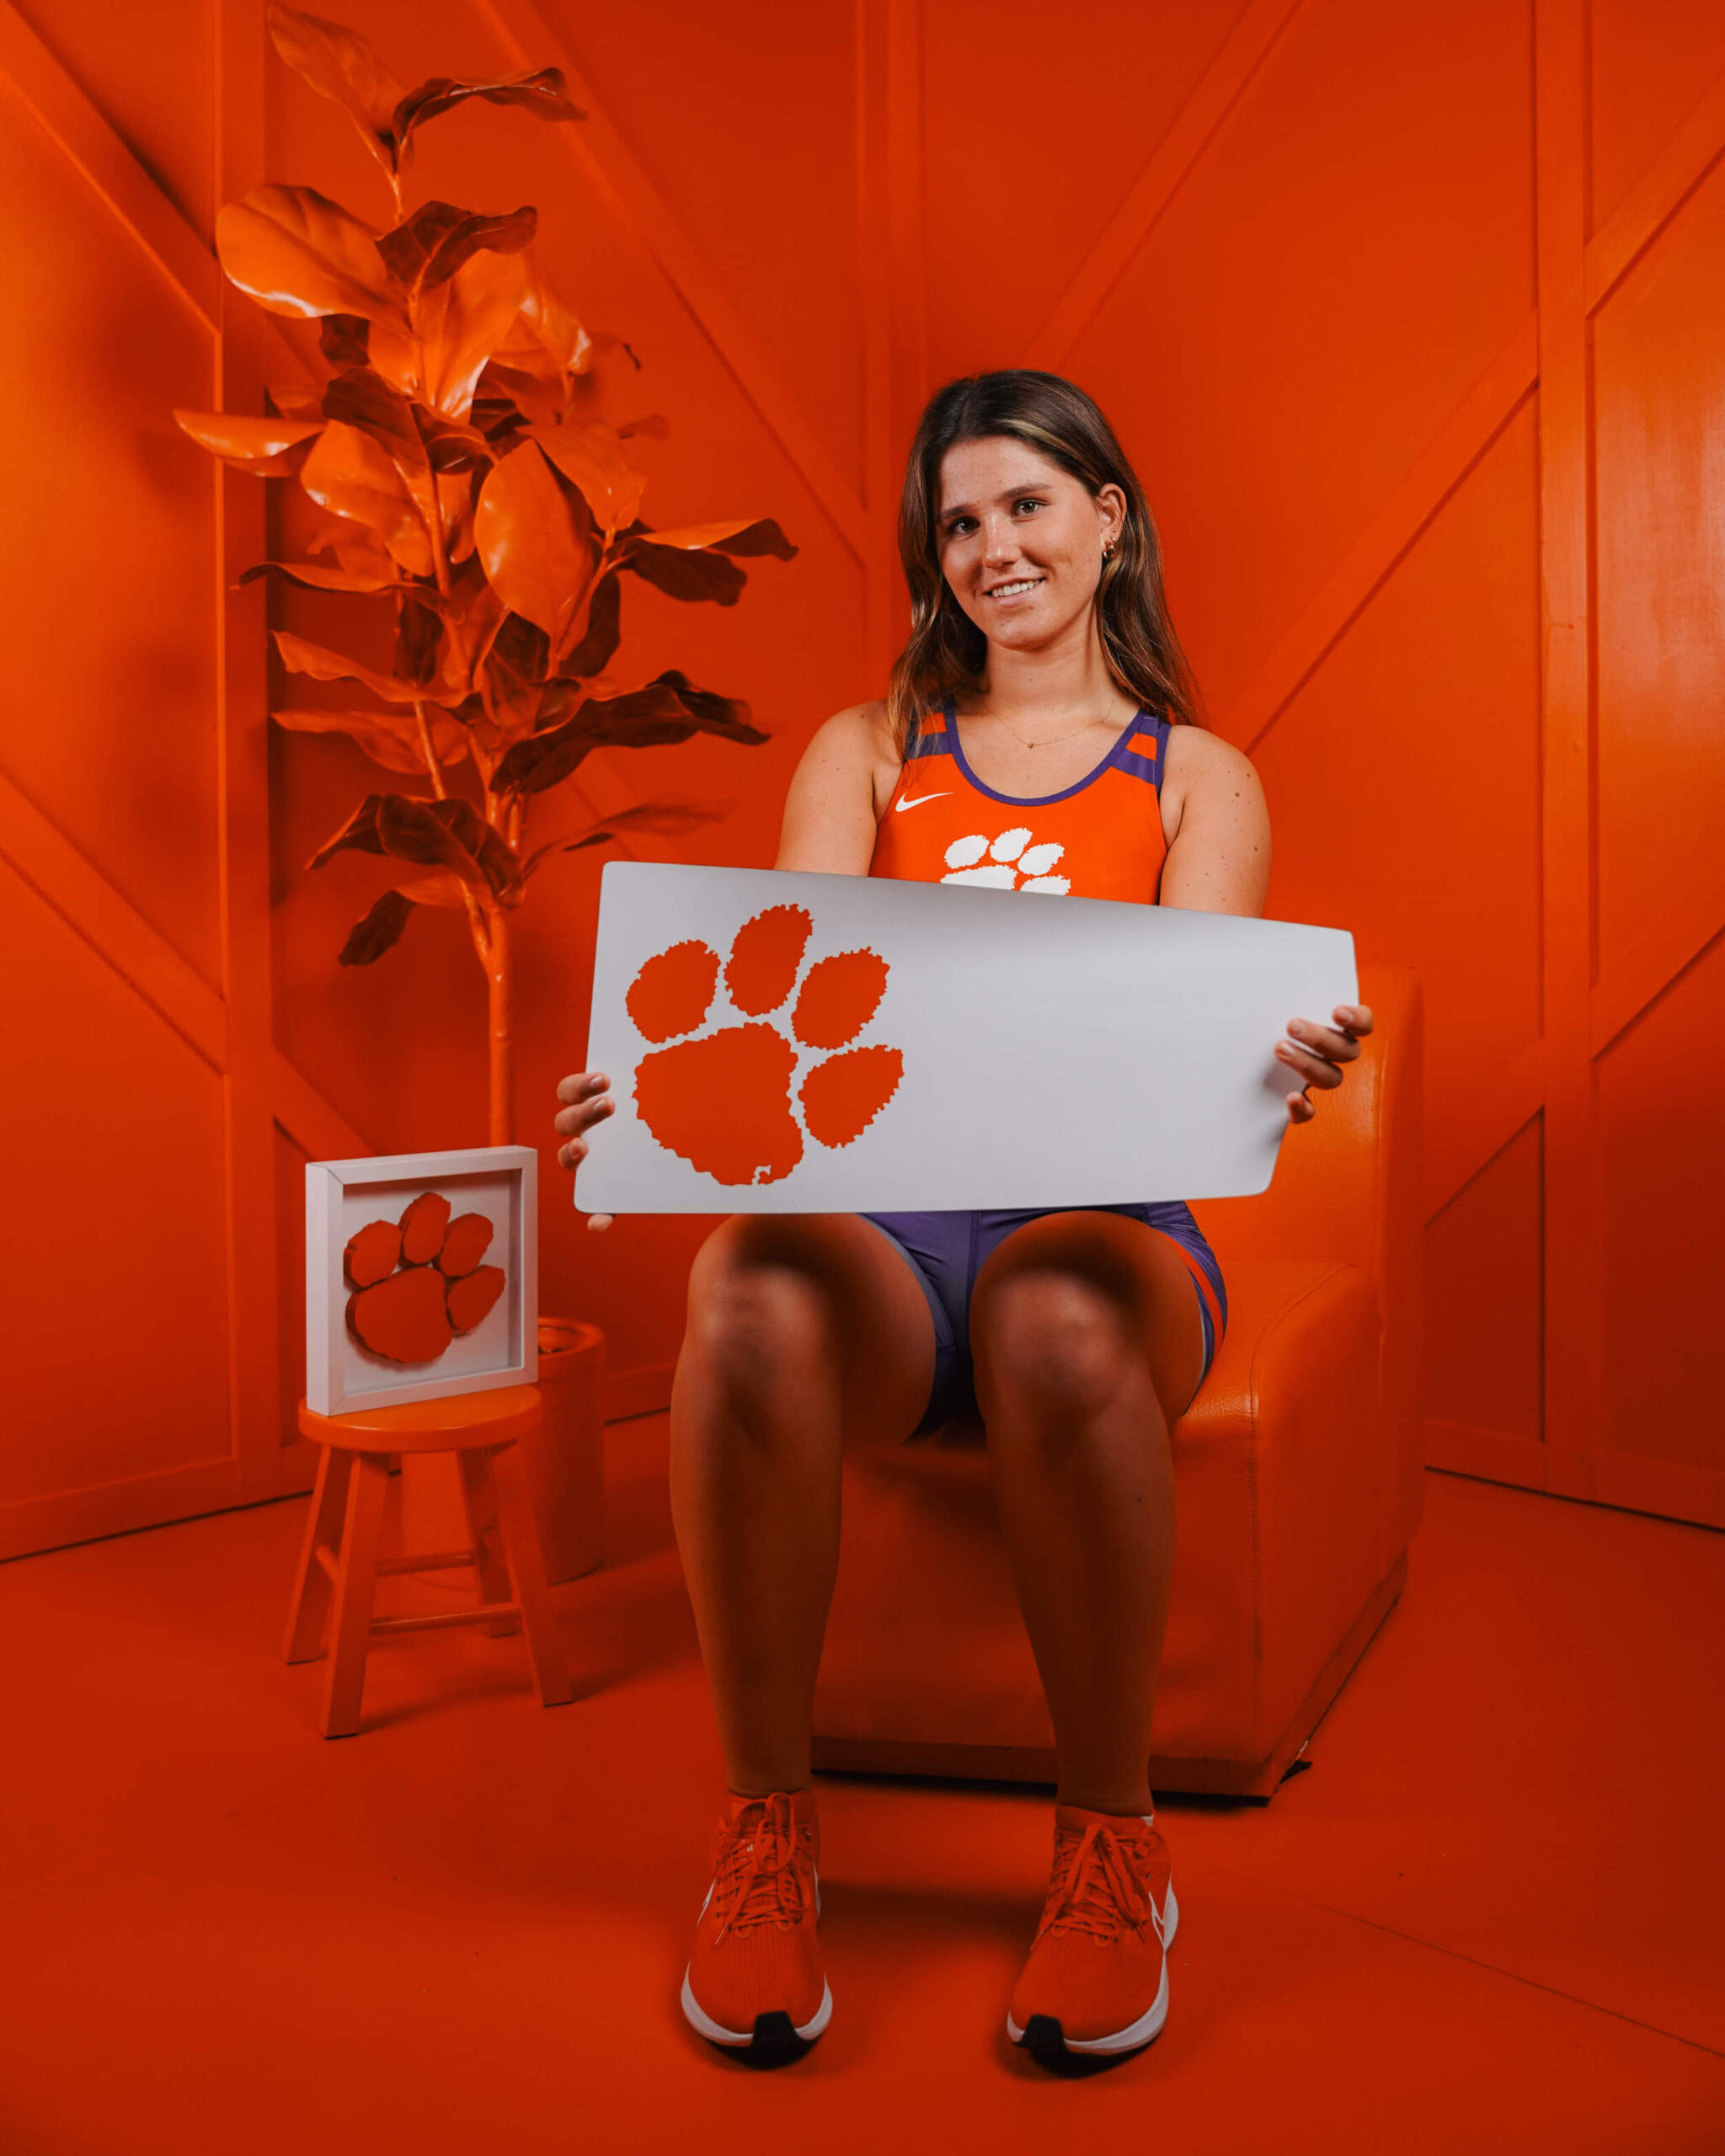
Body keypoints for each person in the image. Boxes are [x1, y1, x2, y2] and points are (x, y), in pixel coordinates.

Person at [553, 370, 1371, 2071]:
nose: (996, 546)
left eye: (1028, 504)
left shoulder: (1199, 777)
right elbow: (775, 1012)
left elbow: (1196, 1060)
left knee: (1053, 1313)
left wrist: (1276, 1059)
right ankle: (765, 1831)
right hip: (894, 1237)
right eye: (960, 521)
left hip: (1107, 1229)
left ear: (1107, 520)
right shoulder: (866, 751)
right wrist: (662, 1090)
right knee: (749, 1284)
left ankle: (1111, 1847)